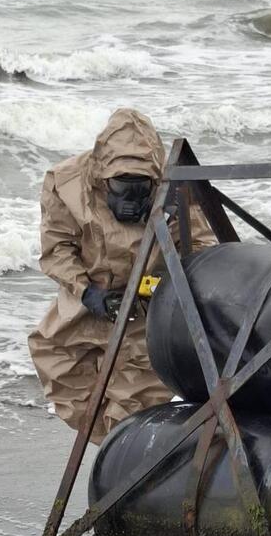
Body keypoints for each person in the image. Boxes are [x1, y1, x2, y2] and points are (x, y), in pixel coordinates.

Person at [28, 108, 214, 444]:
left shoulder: (174, 188)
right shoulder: (67, 183)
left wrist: (161, 223)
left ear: (154, 179)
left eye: (138, 188)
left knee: (132, 401)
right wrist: (87, 293)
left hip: (147, 308)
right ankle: (112, 448)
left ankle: (121, 459)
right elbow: (56, 249)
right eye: (120, 187)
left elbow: (201, 250)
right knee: (61, 371)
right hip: (89, 299)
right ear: (101, 177)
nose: (129, 199)